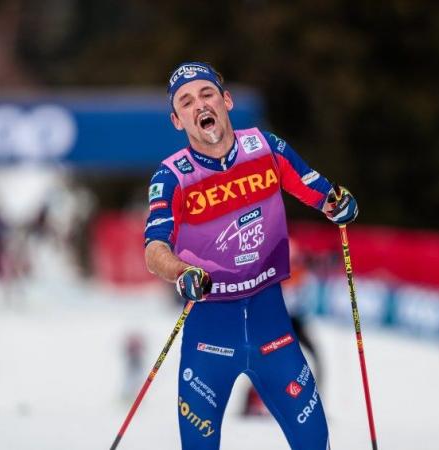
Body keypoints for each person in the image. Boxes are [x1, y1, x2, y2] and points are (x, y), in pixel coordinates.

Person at [143, 62, 358, 450]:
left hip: (272, 330)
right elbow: (154, 249)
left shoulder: (266, 148)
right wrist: (181, 272)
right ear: (178, 121)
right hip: (208, 340)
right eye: (186, 102)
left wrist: (337, 203)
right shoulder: (172, 176)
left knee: (315, 442)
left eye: (206, 94)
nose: (199, 105)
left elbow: (320, 191)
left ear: (226, 101)